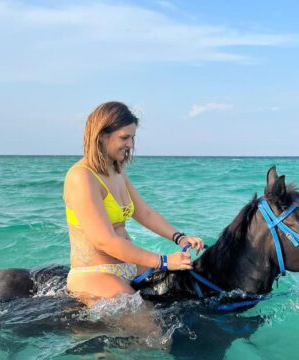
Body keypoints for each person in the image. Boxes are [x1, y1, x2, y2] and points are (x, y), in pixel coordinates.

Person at [63, 101, 204, 306]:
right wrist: (164, 262)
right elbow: (105, 241)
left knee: (185, 291)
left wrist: (180, 238)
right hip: (95, 274)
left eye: (132, 137)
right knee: (155, 332)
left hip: (128, 266)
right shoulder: (81, 177)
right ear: (101, 136)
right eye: (124, 137)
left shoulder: (116, 171)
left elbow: (145, 213)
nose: (130, 144)